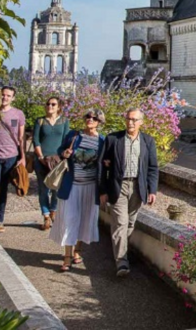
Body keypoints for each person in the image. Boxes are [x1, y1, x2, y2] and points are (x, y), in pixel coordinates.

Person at [99, 107, 159, 277]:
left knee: (131, 222)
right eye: (128, 119)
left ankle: (122, 250)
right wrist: (102, 189)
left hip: (138, 187)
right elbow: (102, 166)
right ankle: (121, 262)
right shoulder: (113, 139)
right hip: (118, 186)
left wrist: (152, 189)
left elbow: (153, 168)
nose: (130, 122)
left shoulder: (148, 141)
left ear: (141, 122)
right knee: (120, 223)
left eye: (134, 120)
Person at [50, 109, 105, 272]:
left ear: (99, 122)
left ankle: (77, 251)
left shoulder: (102, 141)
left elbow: (104, 162)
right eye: (88, 116)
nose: (90, 119)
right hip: (71, 185)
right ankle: (67, 256)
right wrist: (64, 153)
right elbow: (60, 150)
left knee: (84, 220)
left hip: (90, 187)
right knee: (69, 218)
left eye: (94, 118)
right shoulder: (74, 135)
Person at [0, 85, 26, 233]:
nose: (5, 98)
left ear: (13, 98)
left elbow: (21, 138)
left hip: (11, 156)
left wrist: (23, 157)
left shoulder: (18, 114)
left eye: (8, 96)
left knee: (3, 190)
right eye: (3, 95)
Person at [33, 96, 70, 231]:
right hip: (42, 160)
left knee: (56, 188)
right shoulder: (40, 121)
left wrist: (64, 156)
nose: (50, 106)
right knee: (43, 189)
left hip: (57, 161)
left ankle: (53, 210)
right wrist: (41, 157)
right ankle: (46, 216)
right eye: (48, 104)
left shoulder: (64, 121)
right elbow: (36, 140)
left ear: (59, 106)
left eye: (53, 104)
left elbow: (66, 139)